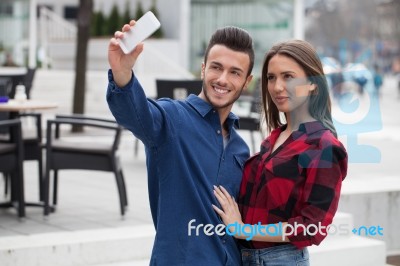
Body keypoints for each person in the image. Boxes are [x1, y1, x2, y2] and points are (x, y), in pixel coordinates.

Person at [106, 20, 254, 265]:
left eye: (235, 72)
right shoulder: (171, 119)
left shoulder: (241, 148)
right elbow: (136, 114)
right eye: (216, 67)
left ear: (247, 81)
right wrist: (122, 75)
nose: (223, 79)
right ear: (203, 68)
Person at [212, 39, 348, 266]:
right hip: (242, 257)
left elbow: (312, 228)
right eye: (271, 78)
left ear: (313, 83)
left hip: (281, 260)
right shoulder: (272, 140)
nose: (276, 87)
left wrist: (243, 229)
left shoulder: (323, 146)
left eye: (288, 77)